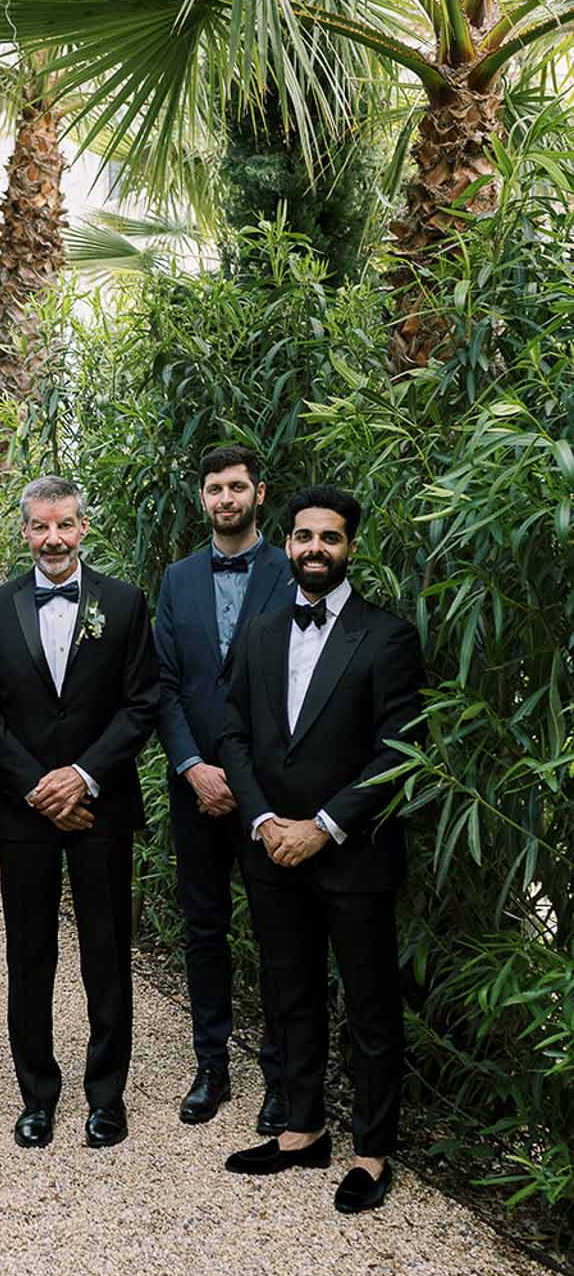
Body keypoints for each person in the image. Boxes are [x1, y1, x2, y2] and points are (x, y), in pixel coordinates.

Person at [220, 484, 425, 1214]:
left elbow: (399, 749)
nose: (314, 549)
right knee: (289, 993)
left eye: (329, 538)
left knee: (369, 1006)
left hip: (352, 853)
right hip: (272, 849)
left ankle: (371, 1151)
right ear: (290, 542)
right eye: (303, 536)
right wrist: (266, 819)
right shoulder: (261, 631)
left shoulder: (387, 637)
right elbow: (233, 736)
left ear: (350, 547)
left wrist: (324, 825)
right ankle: (303, 1130)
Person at [0, 476, 160, 1151]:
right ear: (23, 531)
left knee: (106, 957)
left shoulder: (125, 602)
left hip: (101, 808)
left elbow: (142, 702)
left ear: (84, 528)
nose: (53, 538)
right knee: (30, 956)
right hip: (26, 815)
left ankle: (106, 1098)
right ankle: (38, 1098)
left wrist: (81, 778)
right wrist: (38, 787)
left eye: (65, 525)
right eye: (40, 526)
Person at [154, 443, 291, 1132]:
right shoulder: (176, 579)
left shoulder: (291, 569)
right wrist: (191, 766)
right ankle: (211, 1065)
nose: (225, 499)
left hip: (269, 794)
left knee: (275, 934)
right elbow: (165, 685)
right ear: (202, 497)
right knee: (204, 929)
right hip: (196, 787)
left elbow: (302, 682)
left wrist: (249, 779)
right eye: (214, 488)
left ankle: (280, 1074)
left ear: (258, 493)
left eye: (237, 487)